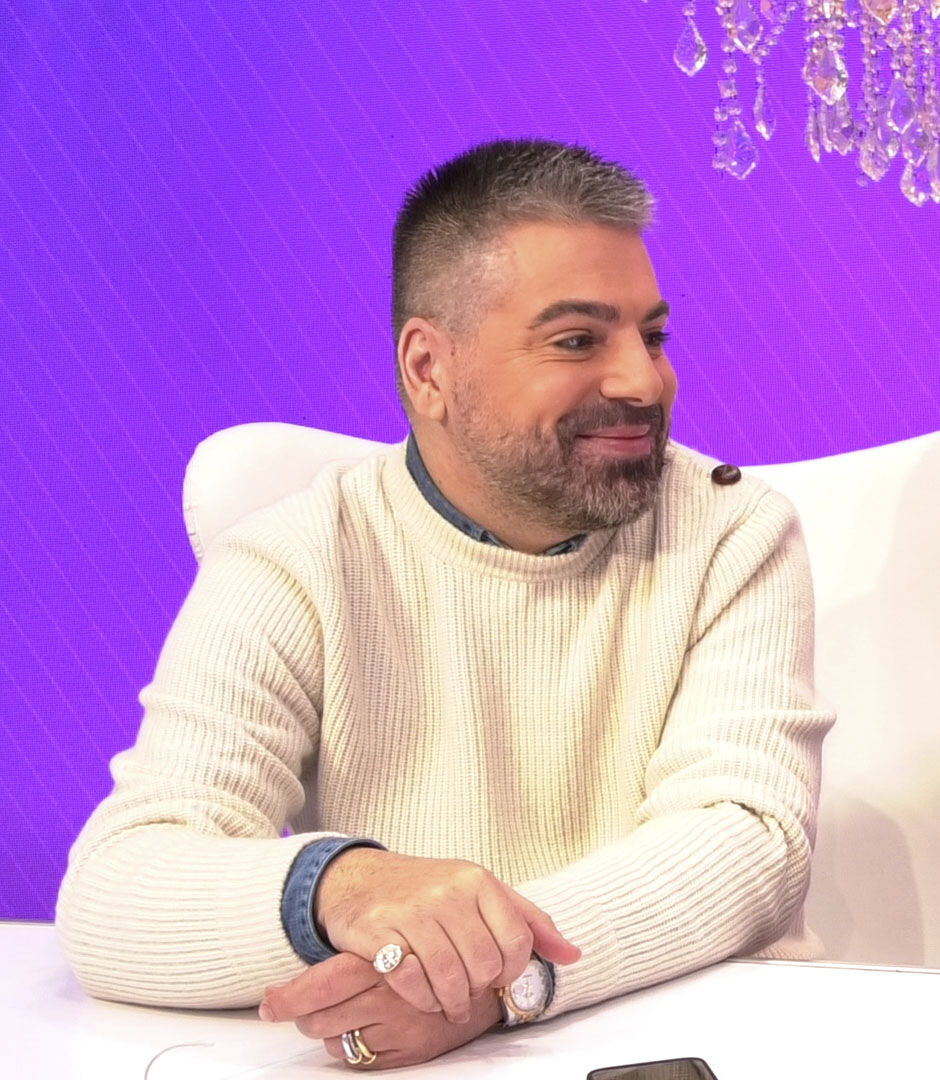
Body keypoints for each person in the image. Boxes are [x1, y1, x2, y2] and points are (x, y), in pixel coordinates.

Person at [57, 138, 834, 1070]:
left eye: (653, 336)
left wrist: (501, 981)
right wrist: (343, 886)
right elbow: (115, 891)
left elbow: (746, 845)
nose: (644, 381)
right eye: (577, 340)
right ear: (428, 368)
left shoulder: (733, 531)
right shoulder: (295, 559)